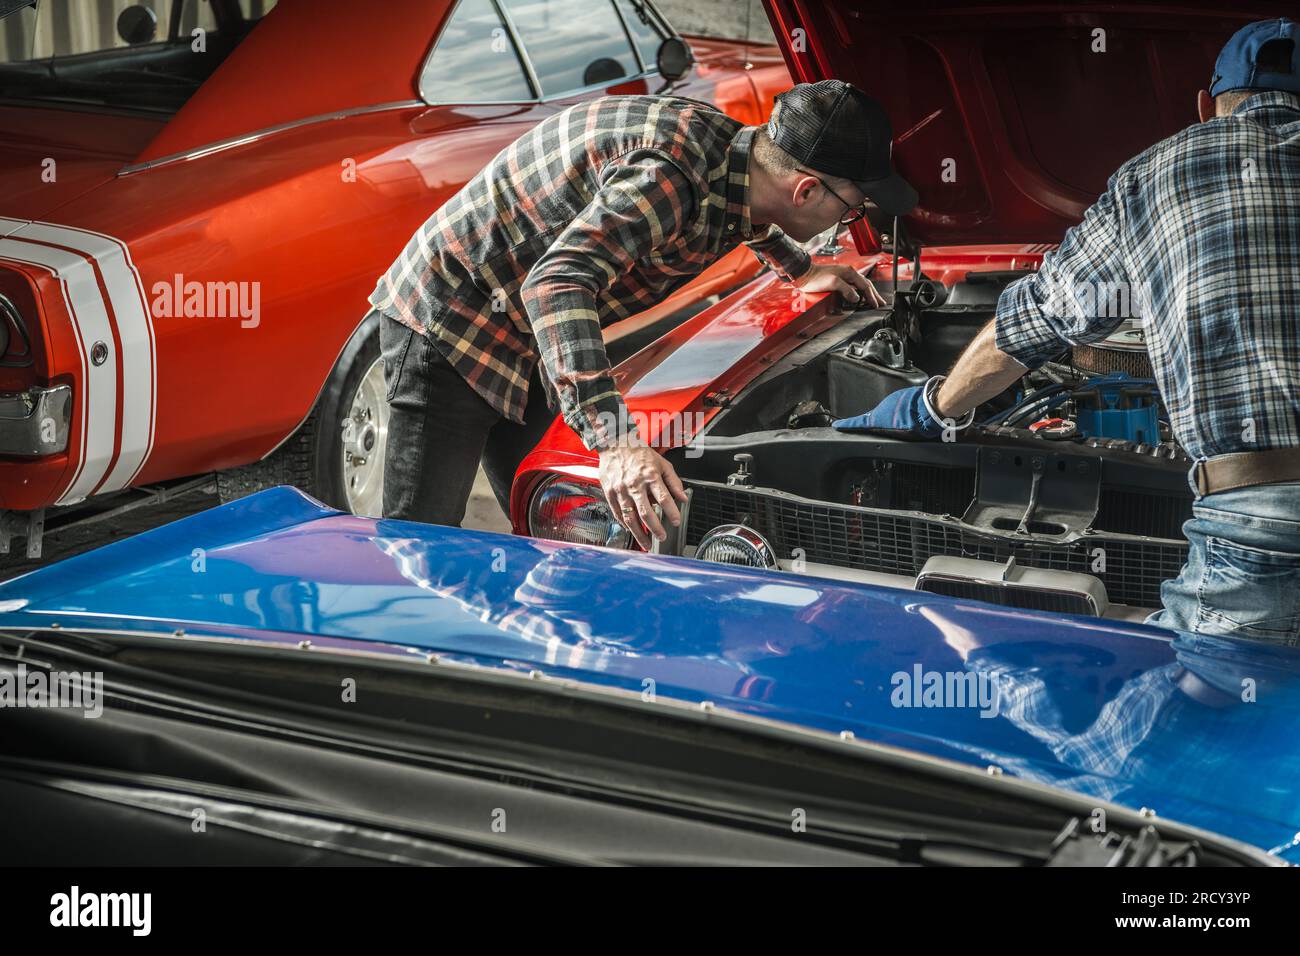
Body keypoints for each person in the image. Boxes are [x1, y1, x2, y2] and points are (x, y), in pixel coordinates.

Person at [835, 18, 1300, 643]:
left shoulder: (1160, 175)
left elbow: (1038, 320)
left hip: (1261, 521)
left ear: (1203, 107)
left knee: (1182, 721)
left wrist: (934, 407)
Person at [370, 80, 916, 547]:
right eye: (854, 208)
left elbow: (736, 209)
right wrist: (618, 443)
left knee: (562, 517)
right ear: (806, 189)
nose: (853, 219)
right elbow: (557, 283)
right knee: (422, 538)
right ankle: (385, 659)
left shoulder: (734, 158)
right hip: (453, 318)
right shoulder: (670, 175)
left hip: (532, 332)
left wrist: (798, 269)